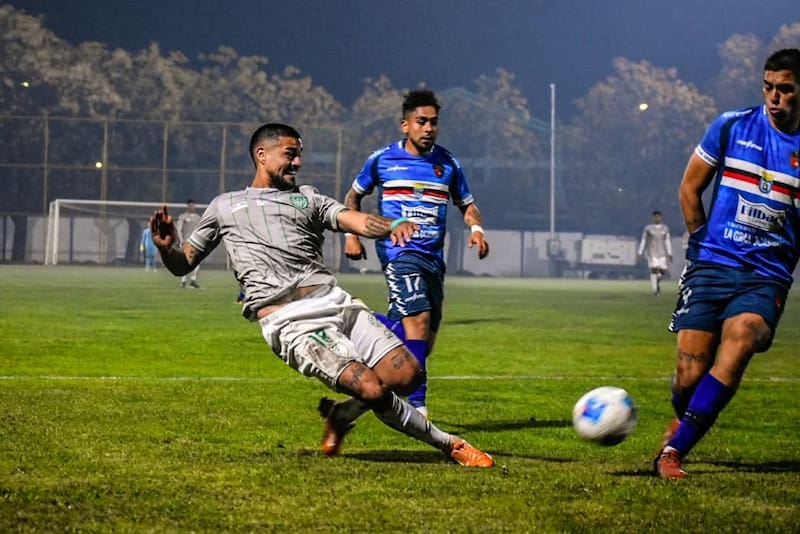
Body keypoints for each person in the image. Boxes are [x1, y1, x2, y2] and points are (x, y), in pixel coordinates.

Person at [149, 122, 493, 468]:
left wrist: (389, 225)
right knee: (372, 389)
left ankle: (341, 416)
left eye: (299, 155)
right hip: (290, 321)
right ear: (261, 155)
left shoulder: (308, 198)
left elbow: (353, 220)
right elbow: (183, 263)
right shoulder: (224, 206)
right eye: (290, 154)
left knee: (408, 376)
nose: (297, 163)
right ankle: (451, 445)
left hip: (336, 302)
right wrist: (167, 249)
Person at [654, 48, 800, 480]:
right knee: (688, 374)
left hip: (764, 278)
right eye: (769, 87)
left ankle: (671, 454)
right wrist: (702, 246)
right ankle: (684, 423)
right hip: (712, 266)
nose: (775, 97)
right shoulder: (732, 125)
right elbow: (689, 189)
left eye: (786, 89)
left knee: (741, 340)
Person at [340, 89, 489, 420]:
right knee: (418, 323)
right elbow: (352, 197)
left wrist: (476, 229)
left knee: (418, 345)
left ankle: (350, 403)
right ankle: (418, 408)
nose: (429, 128)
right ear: (404, 124)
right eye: (421, 122)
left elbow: (468, 205)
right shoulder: (381, 160)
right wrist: (352, 234)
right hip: (399, 253)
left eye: (434, 122)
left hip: (433, 260)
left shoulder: (447, 164)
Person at [637, 210, 672, 295]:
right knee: (654, 271)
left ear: (661, 217)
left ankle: (657, 282)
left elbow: (667, 241)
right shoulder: (648, 229)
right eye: (655, 216)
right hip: (652, 254)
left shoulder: (665, 229)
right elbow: (643, 240)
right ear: (653, 217)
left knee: (663, 272)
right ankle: (655, 290)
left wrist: (670, 253)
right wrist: (640, 252)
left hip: (662, 253)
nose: (657, 218)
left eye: (659, 216)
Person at [177, 199, 201, 288]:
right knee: (184, 261)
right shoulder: (183, 217)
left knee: (197, 262)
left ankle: (193, 280)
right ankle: (183, 280)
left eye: (193, 205)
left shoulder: (197, 218)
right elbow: (179, 229)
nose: (192, 207)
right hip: (186, 242)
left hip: (196, 242)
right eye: (190, 205)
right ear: (187, 206)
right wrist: (181, 240)